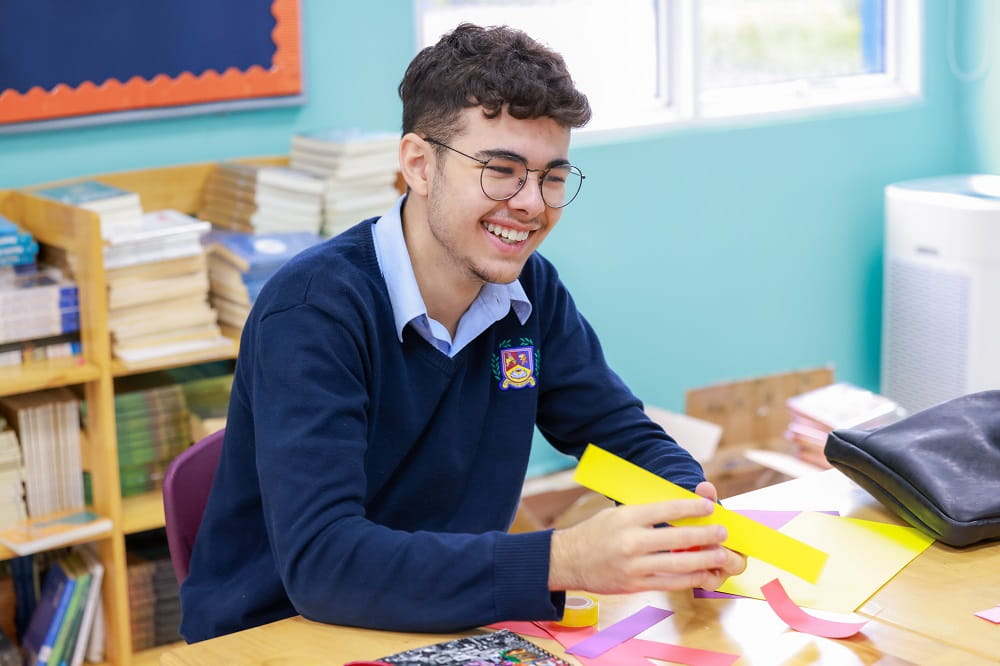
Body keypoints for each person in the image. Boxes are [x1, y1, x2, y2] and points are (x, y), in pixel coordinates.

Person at [179, 22, 745, 642]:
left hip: (447, 621)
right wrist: (566, 560)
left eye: (553, 176)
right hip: (283, 634)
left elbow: (616, 436)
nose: (531, 203)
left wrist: (688, 509)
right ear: (420, 165)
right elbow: (324, 563)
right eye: (501, 169)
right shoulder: (314, 311)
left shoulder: (531, 291)